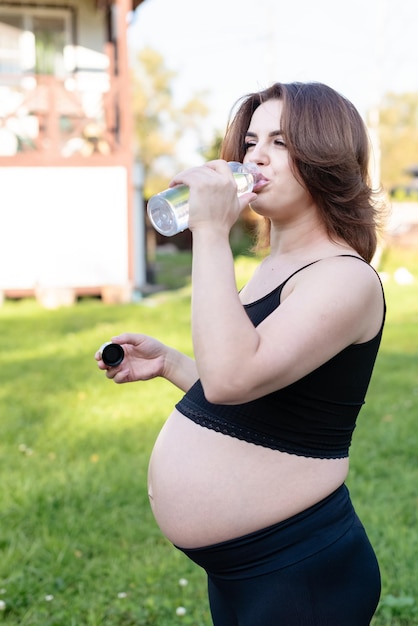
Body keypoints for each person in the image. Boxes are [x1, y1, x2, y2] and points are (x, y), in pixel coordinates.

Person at [96, 81, 386, 625]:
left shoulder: (345, 278)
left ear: (326, 157)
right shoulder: (274, 268)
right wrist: (173, 365)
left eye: (280, 142)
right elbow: (260, 394)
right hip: (244, 571)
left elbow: (232, 378)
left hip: (300, 572)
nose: (255, 156)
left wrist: (209, 231)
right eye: (251, 141)